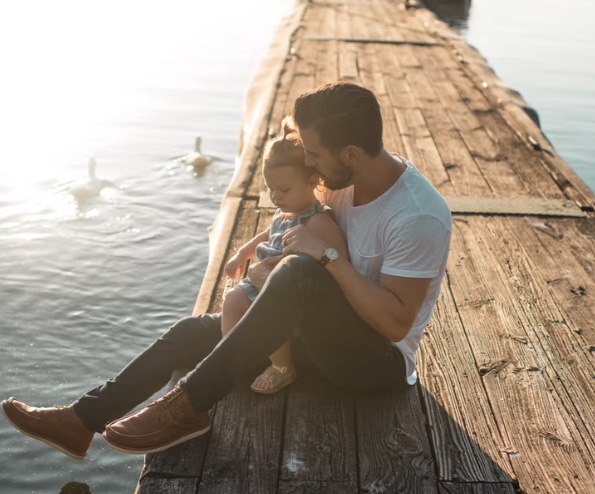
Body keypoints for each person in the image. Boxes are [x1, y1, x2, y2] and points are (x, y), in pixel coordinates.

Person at [1, 82, 452, 460]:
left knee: (297, 272)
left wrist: (325, 258)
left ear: (350, 153)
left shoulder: (416, 216)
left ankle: (188, 406)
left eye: (314, 154)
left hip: (374, 364)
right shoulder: (342, 183)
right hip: (316, 337)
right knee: (189, 332)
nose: (308, 162)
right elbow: (298, 223)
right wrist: (254, 246)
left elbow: (395, 324)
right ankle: (81, 421)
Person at [221, 119, 348, 393]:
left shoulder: (318, 220)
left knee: (272, 315)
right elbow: (267, 234)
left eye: (285, 189)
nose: (276, 197)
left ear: (313, 181)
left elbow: (338, 258)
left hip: (288, 292)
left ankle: (283, 367)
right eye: (271, 189)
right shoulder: (285, 212)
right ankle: (232, 357)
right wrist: (243, 253)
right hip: (262, 279)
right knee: (232, 300)